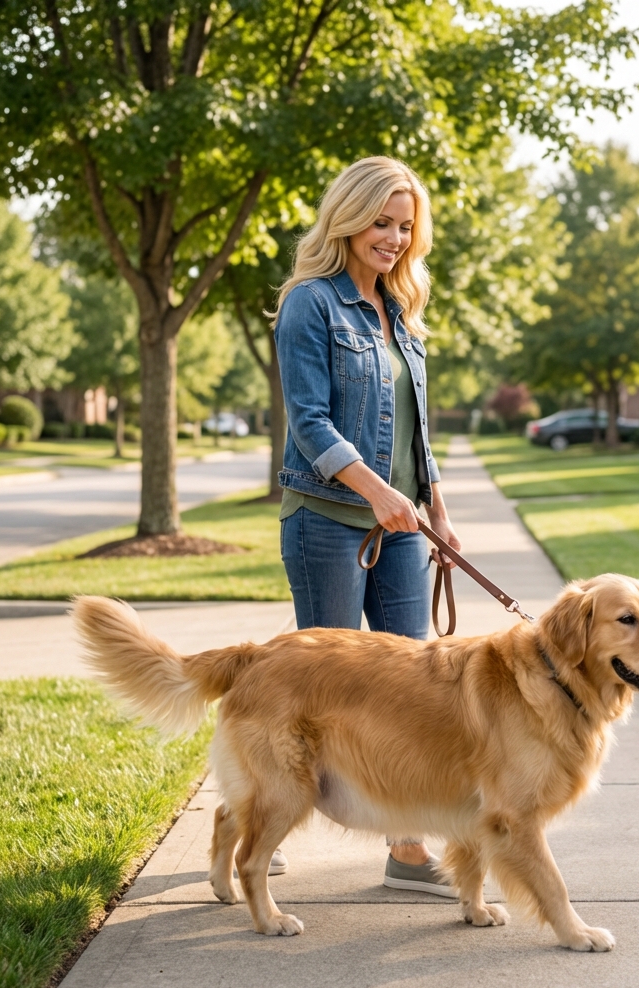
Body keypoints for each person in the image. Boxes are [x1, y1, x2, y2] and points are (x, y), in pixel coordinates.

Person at [269, 156, 462, 897]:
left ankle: (407, 848)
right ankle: (261, 811)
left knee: (413, 686)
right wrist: (378, 491)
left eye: (405, 226)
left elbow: (417, 430)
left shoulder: (401, 313)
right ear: (348, 219)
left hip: (405, 528)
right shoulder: (309, 305)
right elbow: (308, 424)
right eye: (381, 222)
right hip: (327, 523)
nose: (393, 237)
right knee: (320, 691)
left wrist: (436, 510)